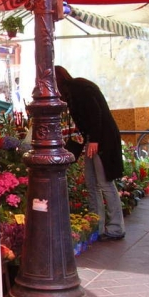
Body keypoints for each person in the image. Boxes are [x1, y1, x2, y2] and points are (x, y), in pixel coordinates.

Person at [54, 66, 125, 241]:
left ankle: (116, 228)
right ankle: (97, 225)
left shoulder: (80, 89)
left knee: (104, 183)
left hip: (102, 141)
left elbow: (96, 114)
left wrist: (93, 140)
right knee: (91, 182)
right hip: (95, 140)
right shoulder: (75, 91)